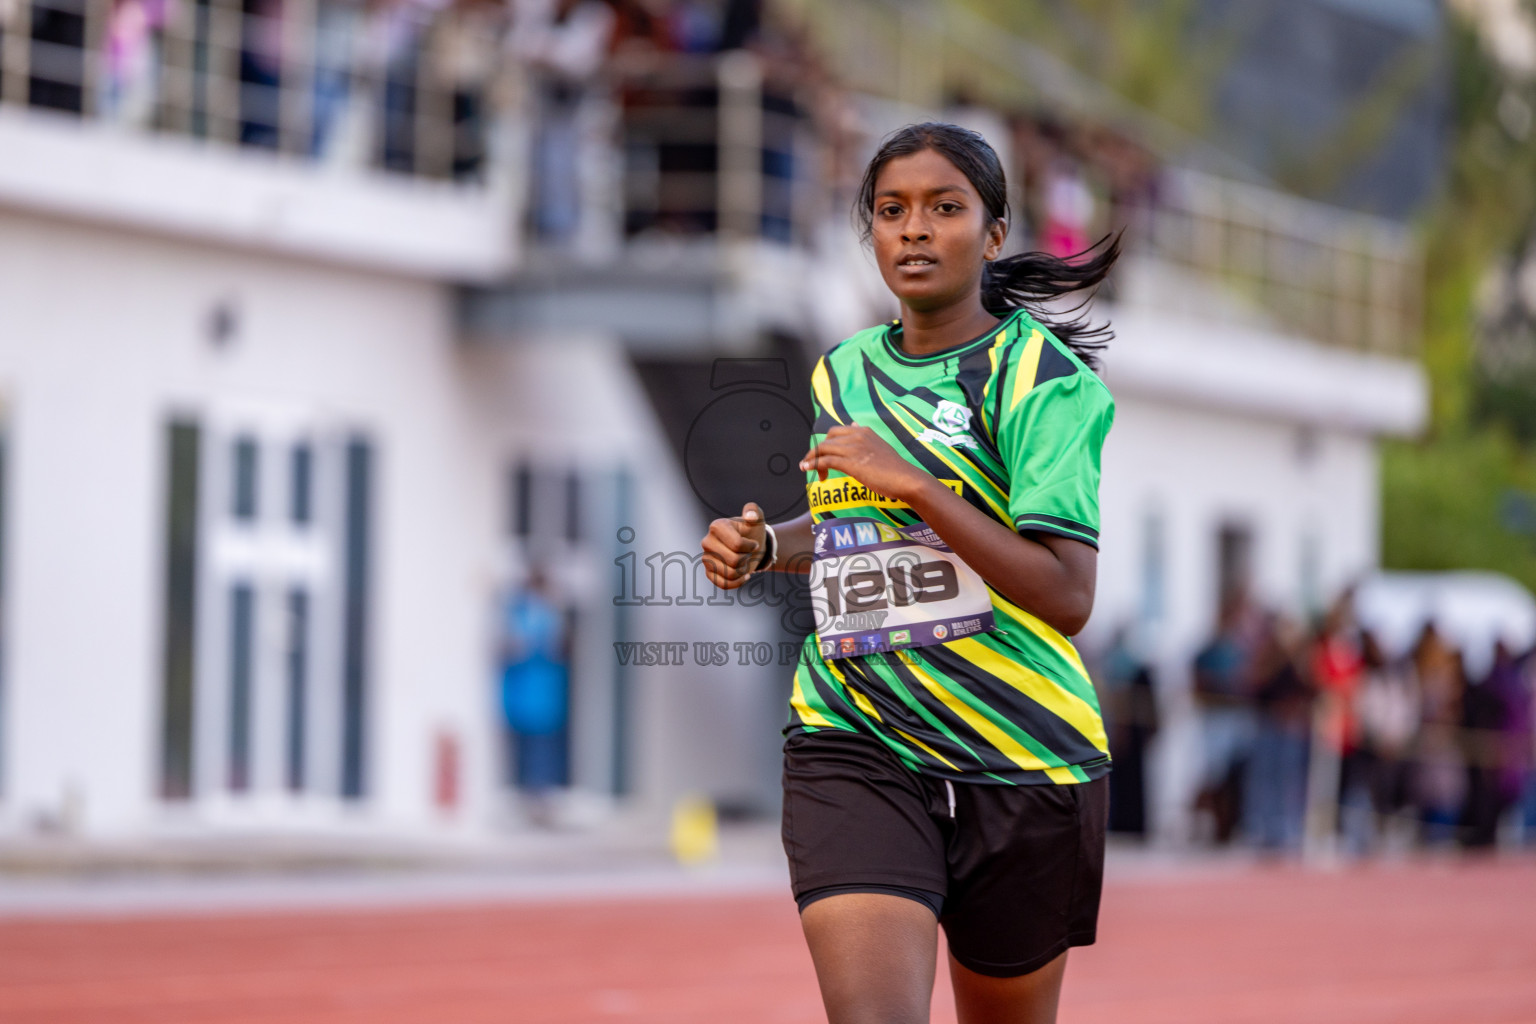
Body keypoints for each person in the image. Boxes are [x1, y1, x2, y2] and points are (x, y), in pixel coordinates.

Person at [700, 122, 1119, 1024]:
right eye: (892, 212)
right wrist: (769, 543)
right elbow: (858, 518)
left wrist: (920, 486)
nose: (915, 230)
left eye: (944, 208)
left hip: (1020, 755)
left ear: (995, 233)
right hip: (855, 734)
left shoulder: (1044, 382)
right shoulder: (842, 372)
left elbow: (1065, 594)